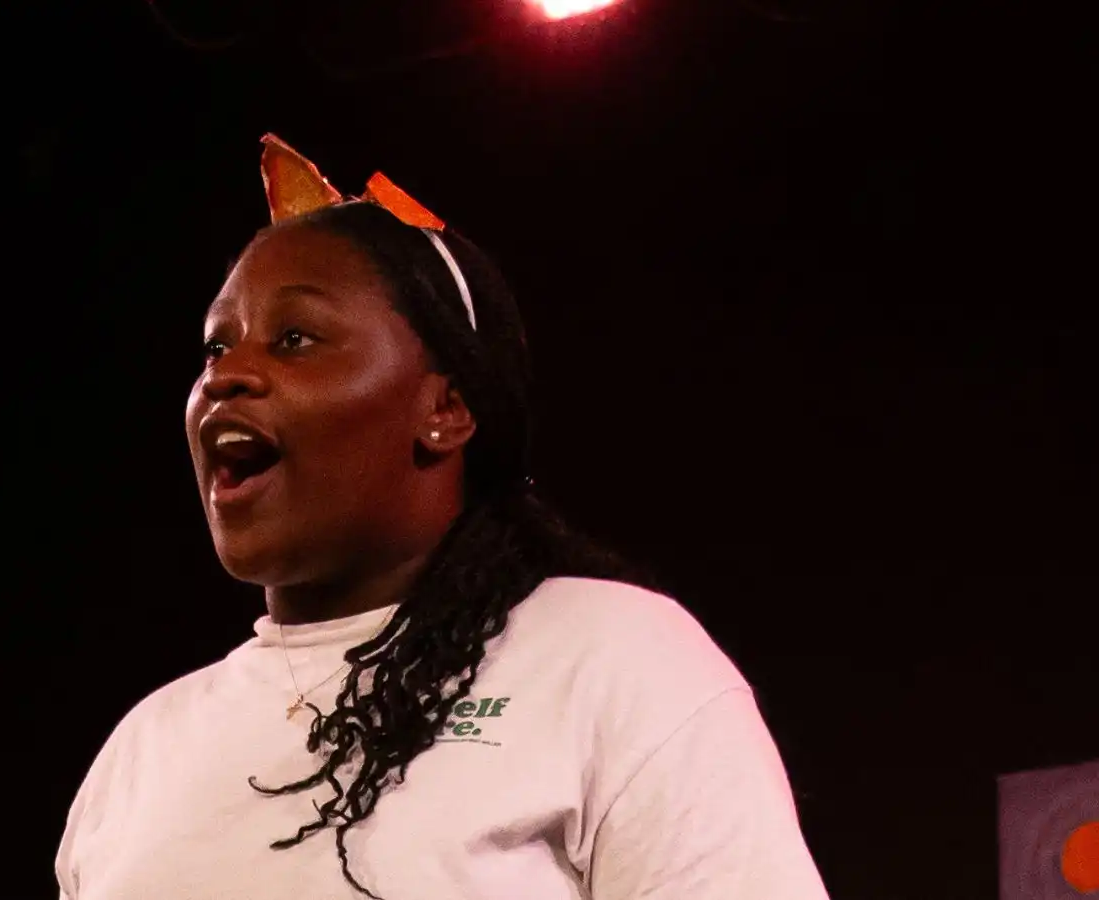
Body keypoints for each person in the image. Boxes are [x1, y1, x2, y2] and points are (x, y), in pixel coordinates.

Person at [54, 135, 829, 900]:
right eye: (215, 348)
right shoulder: (145, 749)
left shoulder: (609, 658)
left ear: (445, 409)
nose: (227, 377)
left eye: (294, 339)